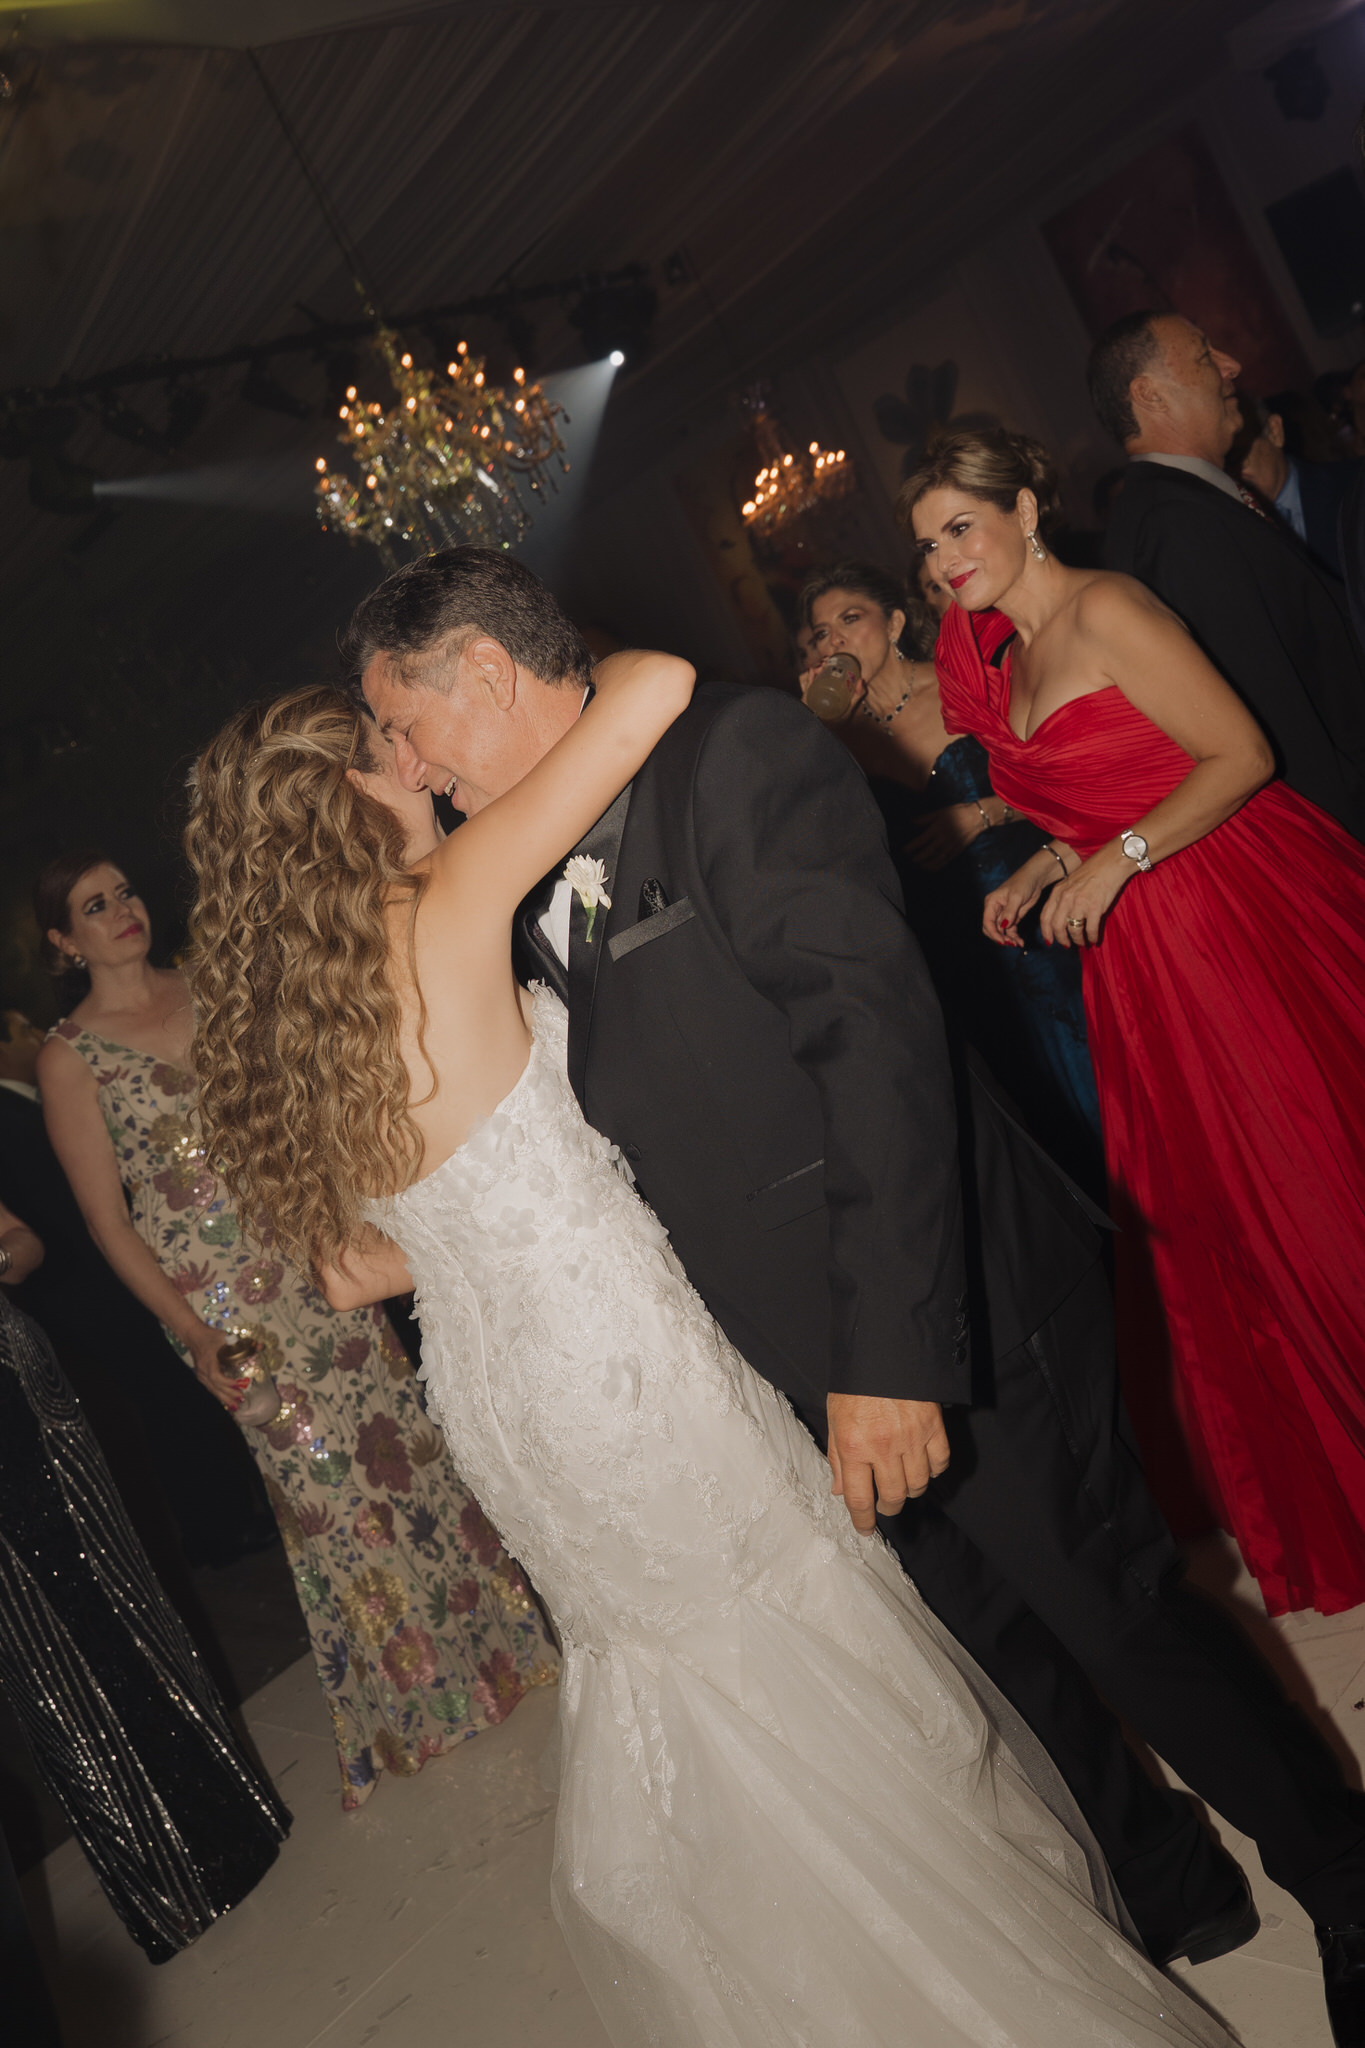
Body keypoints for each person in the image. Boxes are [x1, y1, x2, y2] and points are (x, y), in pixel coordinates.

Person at [343, 548, 1365, 2044]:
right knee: (984, 1642)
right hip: (772, 1358)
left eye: (406, 722)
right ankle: (1164, 1881)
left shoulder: (733, 752)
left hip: (945, 1294)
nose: (409, 763)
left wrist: (891, 1356)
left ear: (486, 673)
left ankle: (1339, 1871)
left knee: (1114, 1612)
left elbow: (873, 1045)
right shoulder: (502, 867)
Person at [904, 422, 1365, 1628]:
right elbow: (1111, 785)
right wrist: (1050, 860)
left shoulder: (1107, 608)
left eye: (961, 527)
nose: (945, 560)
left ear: (1026, 508)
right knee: (1229, 1221)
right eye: (928, 545)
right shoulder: (1010, 653)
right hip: (1146, 960)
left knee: (1313, 1180)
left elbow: (1241, 754)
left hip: (1234, 914)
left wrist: (1117, 856)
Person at [34, 849, 557, 1811]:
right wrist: (193, 1333)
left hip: (316, 1258)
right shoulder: (70, 1059)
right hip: (224, 1309)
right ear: (64, 942)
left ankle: (506, 1650)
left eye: (126, 893)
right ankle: (420, 1701)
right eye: (93, 906)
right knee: (327, 1495)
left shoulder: (210, 989)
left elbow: (302, 1117)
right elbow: (109, 1225)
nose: (122, 911)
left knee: (409, 1454)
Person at [0, 1196, 289, 1960]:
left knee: (121, 1595)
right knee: (41, 1660)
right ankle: (164, 1891)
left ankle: (238, 1827)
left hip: (21, 1392)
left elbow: (23, 1242)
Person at [796, 557, 1102, 1194]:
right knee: (1030, 1117)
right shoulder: (834, 739)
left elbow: (1071, 774)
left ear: (895, 623)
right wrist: (814, 737)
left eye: (850, 619)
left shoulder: (960, 684)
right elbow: (821, 855)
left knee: (1094, 1075)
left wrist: (982, 813)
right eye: (821, 633)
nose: (834, 640)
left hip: (1037, 912)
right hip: (948, 954)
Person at [0, 1006, 276, 1580]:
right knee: (163, 1397)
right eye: (23, 1031)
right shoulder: (17, 1106)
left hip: (106, 1269)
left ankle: (222, 1521)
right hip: (82, 1285)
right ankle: (214, 1529)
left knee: (171, 1394)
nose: (34, 1036)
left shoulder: (28, 1100)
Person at [1088, 309, 1365, 839]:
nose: (1232, 365)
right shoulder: (1174, 523)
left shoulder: (1188, 503)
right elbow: (1270, 714)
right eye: (1203, 356)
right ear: (1149, 395)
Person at [1237, 394, 1359, 580]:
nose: (1231, 471)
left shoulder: (1353, 486)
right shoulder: (1232, 528)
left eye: (1238, 453)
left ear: (1274, 431)